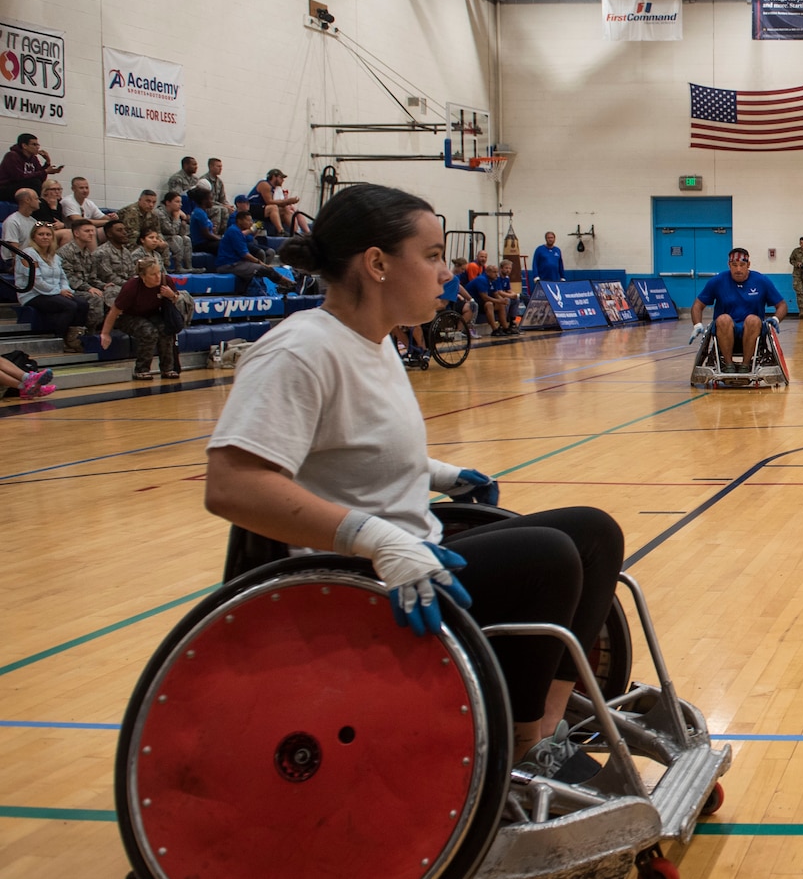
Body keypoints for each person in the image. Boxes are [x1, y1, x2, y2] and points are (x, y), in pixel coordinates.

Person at [203, 183, 624, 780]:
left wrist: (443, 476)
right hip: (352, 582)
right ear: (376, 264)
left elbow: (351, 450)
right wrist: (375, 539)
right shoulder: (298, 351)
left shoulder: (376, 344)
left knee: (593, 533)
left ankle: (542, 733)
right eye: (431, 256)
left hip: (413, 555)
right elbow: (232, 485)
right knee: (549, 557)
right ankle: (520, 754)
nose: (447, 273)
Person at [691, 247, 787, 369]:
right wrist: (697, 325)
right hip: (724, 330)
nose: (738, 269)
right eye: (734, 265)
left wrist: (776, 319)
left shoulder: (761, 281)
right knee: (723, 319)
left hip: (753, 331)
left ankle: (746, 365)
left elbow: (782, 305)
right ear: (729, 265)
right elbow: (697, 305)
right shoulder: (718, 281)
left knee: (752, 319)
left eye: (742, 265)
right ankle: (728, 365)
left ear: (748, 265)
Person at [102, 256, 184, 379]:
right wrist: (105, 334)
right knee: (148, 331)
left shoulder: (165, 281)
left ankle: (168, 369)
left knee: (165, 329)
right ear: (143, 276)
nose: (157, 277)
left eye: (158, 272)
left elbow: (175, 300)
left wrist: (172, 295)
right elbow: (114, 311)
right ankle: (141, 369)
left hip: (151, 313)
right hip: (128, 316)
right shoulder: (131, 287)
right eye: (153, 274)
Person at [13, 221, 88, 351]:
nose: (45, 237)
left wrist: (65, 289)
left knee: (83, 304)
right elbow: (36, 281)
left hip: (55, 292)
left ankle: (73, 338)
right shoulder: (28, 254)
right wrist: (59, 291)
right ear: (34, 237)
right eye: (41, 234)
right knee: (69, 305)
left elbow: (62, 277)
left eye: (48, 234)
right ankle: (58, 338)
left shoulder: (54, 256)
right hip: (33, 294)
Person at [216, 207, 298, 292]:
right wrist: (261, 262)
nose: (251, 223)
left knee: (265, 269)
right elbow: (244, 254)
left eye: (251, 221)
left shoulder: (238, 231)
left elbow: (250, 241)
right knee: (263, 269)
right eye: (248, 221)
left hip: (237, 262)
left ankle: (285, 283)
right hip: (229, 265)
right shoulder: (234, 231)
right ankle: (287, 283)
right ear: (240, 221)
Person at [57, 221, 110, 326]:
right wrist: (88, 288)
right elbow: (69, 277)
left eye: (92, 231)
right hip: (71, 289)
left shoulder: (88, 253)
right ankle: (87, 331)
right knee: (95, 298)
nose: (91, 234)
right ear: (76, 233)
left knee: (112, 292)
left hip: (85, 287)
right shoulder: (65, 252)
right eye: (87, 231)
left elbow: (92, 277)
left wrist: (103, 286)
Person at [0, 132, 58, 201]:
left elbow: (41, 179)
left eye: (38, 145)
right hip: (6, 189)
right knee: (34, 182)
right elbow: (18, 177)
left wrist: (47, 162)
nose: (37, 147)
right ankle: (39, 204)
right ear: (24, 146)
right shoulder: (12, 156)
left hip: (23, 188)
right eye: (34, 144)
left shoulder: (33, 158)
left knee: (49, 187)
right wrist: (45, 171)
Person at [254, 169, 301, 236]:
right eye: (281, 178)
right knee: (273, 207)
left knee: (285, 209)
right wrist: (287, 201)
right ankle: (281, 231)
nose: (283, 180)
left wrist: (287, 203)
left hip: (264, 208)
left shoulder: (274, 188)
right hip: (254, 207)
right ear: (274, 177)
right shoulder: (265, 184)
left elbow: (278, 202)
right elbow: (269, 202)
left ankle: (296, 232)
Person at [31, 179, 70, 248]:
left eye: (59, 189)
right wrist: (53, 208)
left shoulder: (59, 204)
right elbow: (49, 223)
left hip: (53, 231)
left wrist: (63, 225)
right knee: (67, 233)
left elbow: (58, 222)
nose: (57, 192)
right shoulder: (40, 203)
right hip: (42, 231)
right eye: (54, 189)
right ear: (45, 191)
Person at [187, 185, 222, 255]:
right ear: (204, 201)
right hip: (200, 245)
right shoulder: (199, 213)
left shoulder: (202, 212)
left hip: (206, 242)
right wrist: (220, 239)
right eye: (211, 199)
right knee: (227, 245)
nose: (212, 201)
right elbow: (206, 234)